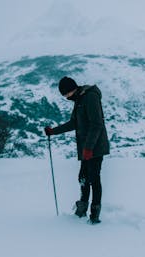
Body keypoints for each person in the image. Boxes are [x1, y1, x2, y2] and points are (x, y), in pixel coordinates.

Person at [44, 76, 110, 224]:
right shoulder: (79, 99)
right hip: (86, 148)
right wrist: (53, 131)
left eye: (66, 94)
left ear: (72, 89)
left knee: (94, 179)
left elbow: (97, 124)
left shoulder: (90, 97)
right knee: (83, 178)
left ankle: (94, 215)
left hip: (95, 147)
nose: (66, 97)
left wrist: (88, 148)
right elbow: (74, 123)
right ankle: (81, 210)